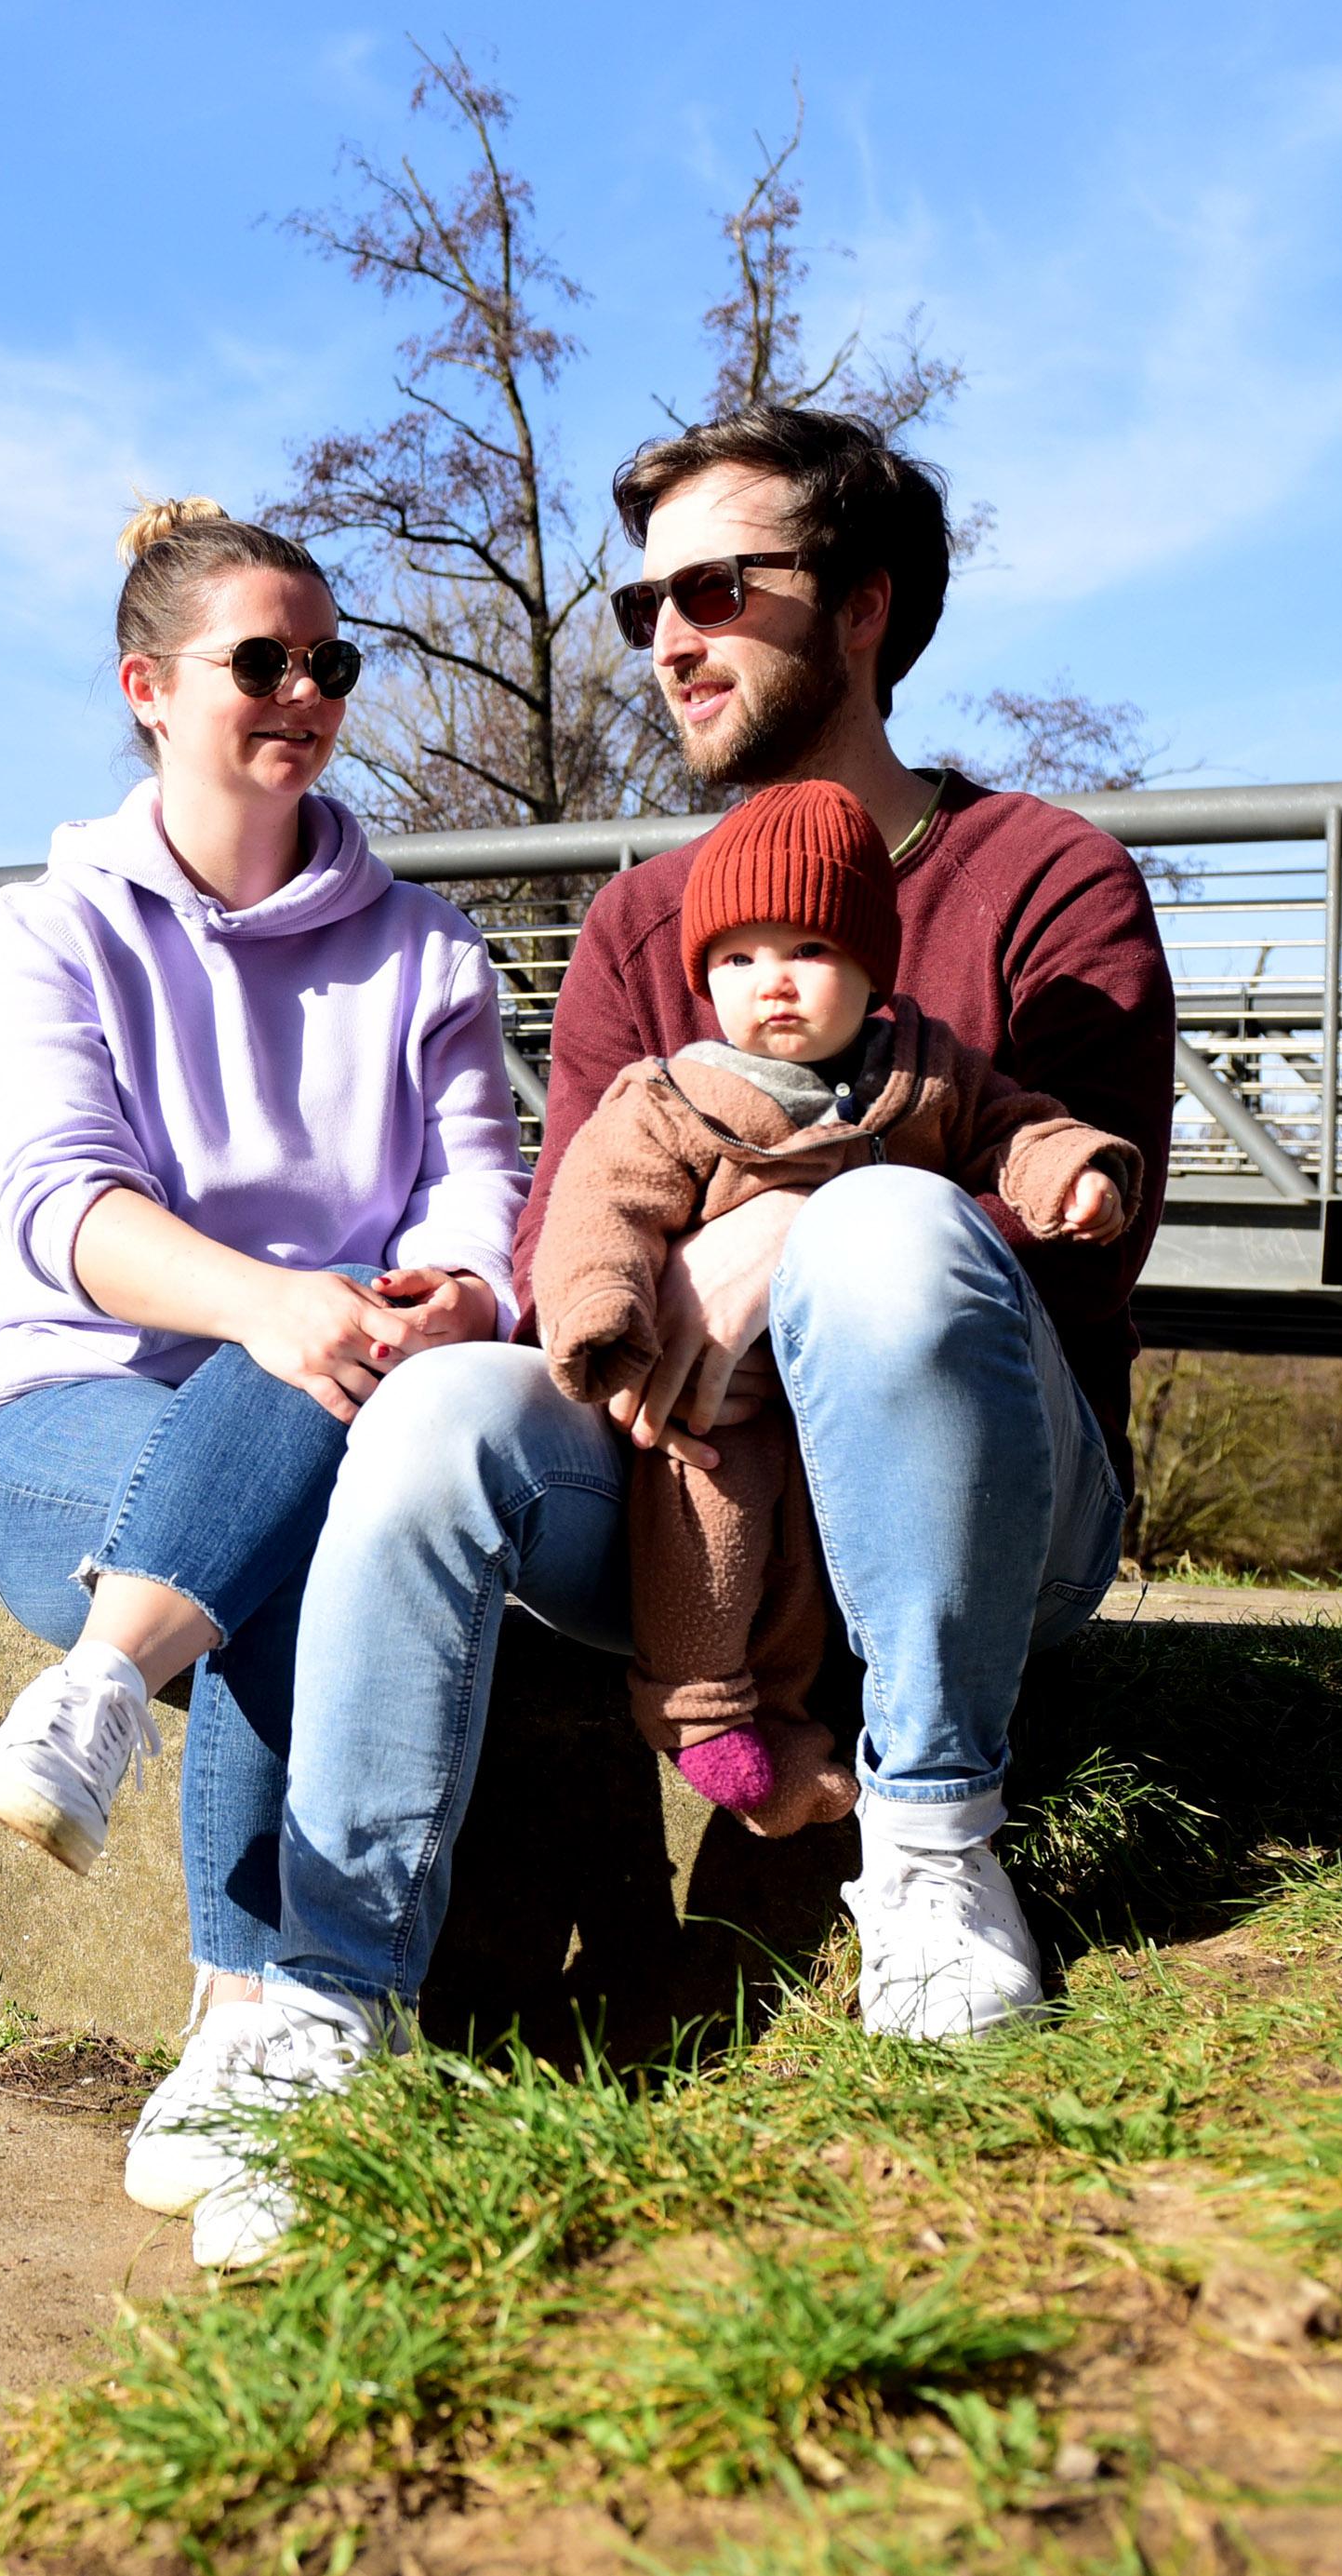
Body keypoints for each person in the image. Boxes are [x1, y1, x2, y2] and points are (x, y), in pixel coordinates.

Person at [257, 401, 1172, 2076]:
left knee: (883, 1228)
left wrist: (798, 1229)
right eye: (640, 608)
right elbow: (573, 1250)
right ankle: (318, 1993)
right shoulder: (636, 919)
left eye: (713, 591)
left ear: (865, 603)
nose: (666, 640)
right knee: (436, 1414)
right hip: (687, 1501)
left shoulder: (1049, 876)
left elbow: (1079, 1245)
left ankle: (930, 1849)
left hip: (998, 1513)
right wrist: (633, 1284)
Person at [0, 496, 521, 2267]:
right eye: (259, 660)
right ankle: (255, 2011)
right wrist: (277, 1302)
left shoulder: (424, 951)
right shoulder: (51, 927)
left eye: (329, 664)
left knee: (323, 1463)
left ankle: (102, 1699)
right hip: (70, 1410)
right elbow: (61, 1204)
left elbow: (488, 1196)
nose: (303, 691)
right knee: (298, 1438)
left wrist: (458, 1297)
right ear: (148, 686)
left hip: (343, 1387)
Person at [532, 776, 1136, 1840]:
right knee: (709, 1531)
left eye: (807, 951)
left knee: (820, 1567)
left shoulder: (927, 1076)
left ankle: (851, 1751)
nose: (771, 983)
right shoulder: (673, 1096)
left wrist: (1069, 1172)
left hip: (874, 1414)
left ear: (869, 965)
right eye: (736, 957)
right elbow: (596, 1206)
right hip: (729, 1406)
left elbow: (1016, 1130)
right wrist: (602, 1317)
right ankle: (704, 1712)